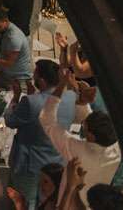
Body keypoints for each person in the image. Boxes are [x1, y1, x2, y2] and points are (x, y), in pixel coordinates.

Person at [39, 71, 121, 203]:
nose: (83, 128)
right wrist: (82, 101)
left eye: (85, 129)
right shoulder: (117, 150)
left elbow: (47, 120)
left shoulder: (78, 150)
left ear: (91, 136)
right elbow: (93, 122)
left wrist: (61, 85)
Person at [5, 59, 77, 207]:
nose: (33, 78)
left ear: (42, 81)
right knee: (49, 204)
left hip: (29, 165)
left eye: (35, 76)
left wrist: (16, 97)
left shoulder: (30, 102)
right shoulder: (71, 97)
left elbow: (10, 121)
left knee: (25, 203)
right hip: (56, 163)